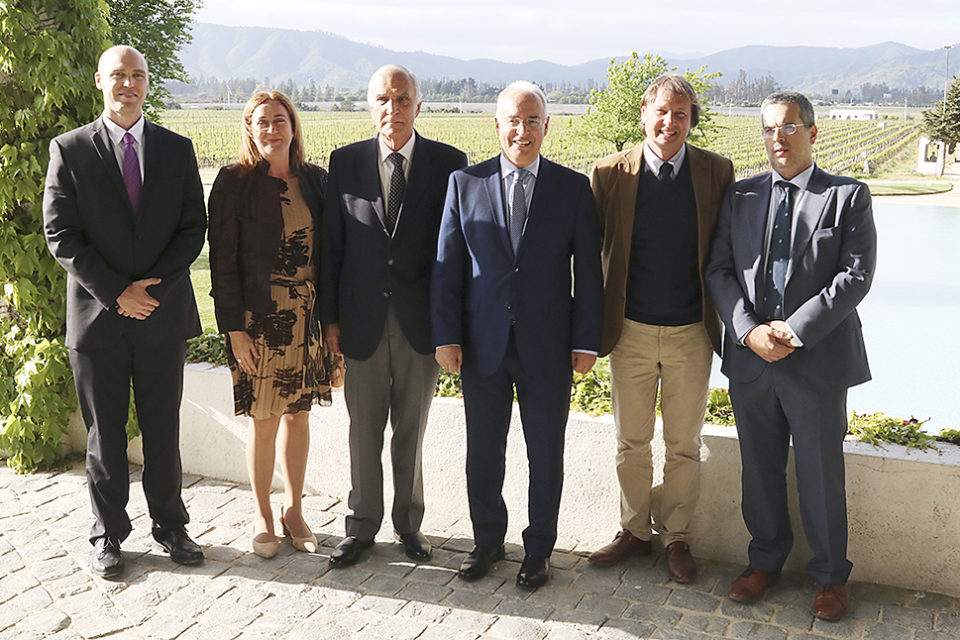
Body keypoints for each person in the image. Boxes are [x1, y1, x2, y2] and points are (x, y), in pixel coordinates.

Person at [705, 90, 876, 620]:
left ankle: (829, 578)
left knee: (821, 472)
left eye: (789, 128)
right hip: (753, 361)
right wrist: (748, 331)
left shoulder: (848, 196)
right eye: (769, 129)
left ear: (813, 132)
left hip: (817, 362)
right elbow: (720, 271)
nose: (778, 138)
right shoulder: (741, 196)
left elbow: (855, 276)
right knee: (759, 468)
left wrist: (794, 331)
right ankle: (765, 562)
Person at [432, 81, 603, 590]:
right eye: (513, 120)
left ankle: (539, 550)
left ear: (546, 126)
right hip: (481, 346)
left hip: (548, 348)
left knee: (544, 452)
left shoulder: (572, 189)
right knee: (483, 450)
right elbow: (447, 269)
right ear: (498, 124)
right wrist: (446, 335)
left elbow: (589, 274)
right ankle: (487, 541)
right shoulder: (464, 183)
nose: (522, 130)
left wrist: (586, 340)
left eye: (533, 121)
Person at [42, 45, 206, 577]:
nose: (128, 84)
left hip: (162, 313)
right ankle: (108, 533)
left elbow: (191, 228)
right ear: (100, 81)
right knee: (104, 434)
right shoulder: (68, 150)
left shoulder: (177, 149)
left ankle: (171, 526)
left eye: (138, 76)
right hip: (97, 319)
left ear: (147, 83)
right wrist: (117, 292)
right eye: (119, 75)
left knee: (164, 428)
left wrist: (149, 291)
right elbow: (60, 233)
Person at [587, 74, 734, 583]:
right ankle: (634, 530)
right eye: (662, 112)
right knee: (630, 440)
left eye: (681, 114)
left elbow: (725, 252)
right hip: (627, 331)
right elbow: (589, 257)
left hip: (692, 332)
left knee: (683, 444)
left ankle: (676, 536)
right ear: (643, 114)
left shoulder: (716, 171)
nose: (670, 123)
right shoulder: (609, 173)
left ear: (691, 119)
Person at [322, 65, 467, 567]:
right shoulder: (344, 162)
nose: (393, 109)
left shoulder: (450, 164)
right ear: (370, 107)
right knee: (363, 428)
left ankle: (409, 526)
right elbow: (332, 248)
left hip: (420, 323)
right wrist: (331, 320)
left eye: (403, 99)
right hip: (360, 320)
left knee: (411, 428)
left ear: (418, 106)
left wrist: (453, 326)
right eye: (383, 100)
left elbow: (456, 252)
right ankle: (361, 527)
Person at [208, 91, 335, 559]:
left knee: (298, 415)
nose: (271, 129)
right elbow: (221, 260)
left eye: (279, 120)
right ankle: (262, 514)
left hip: (308, 315)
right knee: (263, 420)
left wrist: (331, 322)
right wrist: (233, 329)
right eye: (262, 122)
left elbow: (331, 256)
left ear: (293, 126)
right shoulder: (233, 183)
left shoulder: (316, 181)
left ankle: (293, 509)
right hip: (258, 319)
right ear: (249, 128)